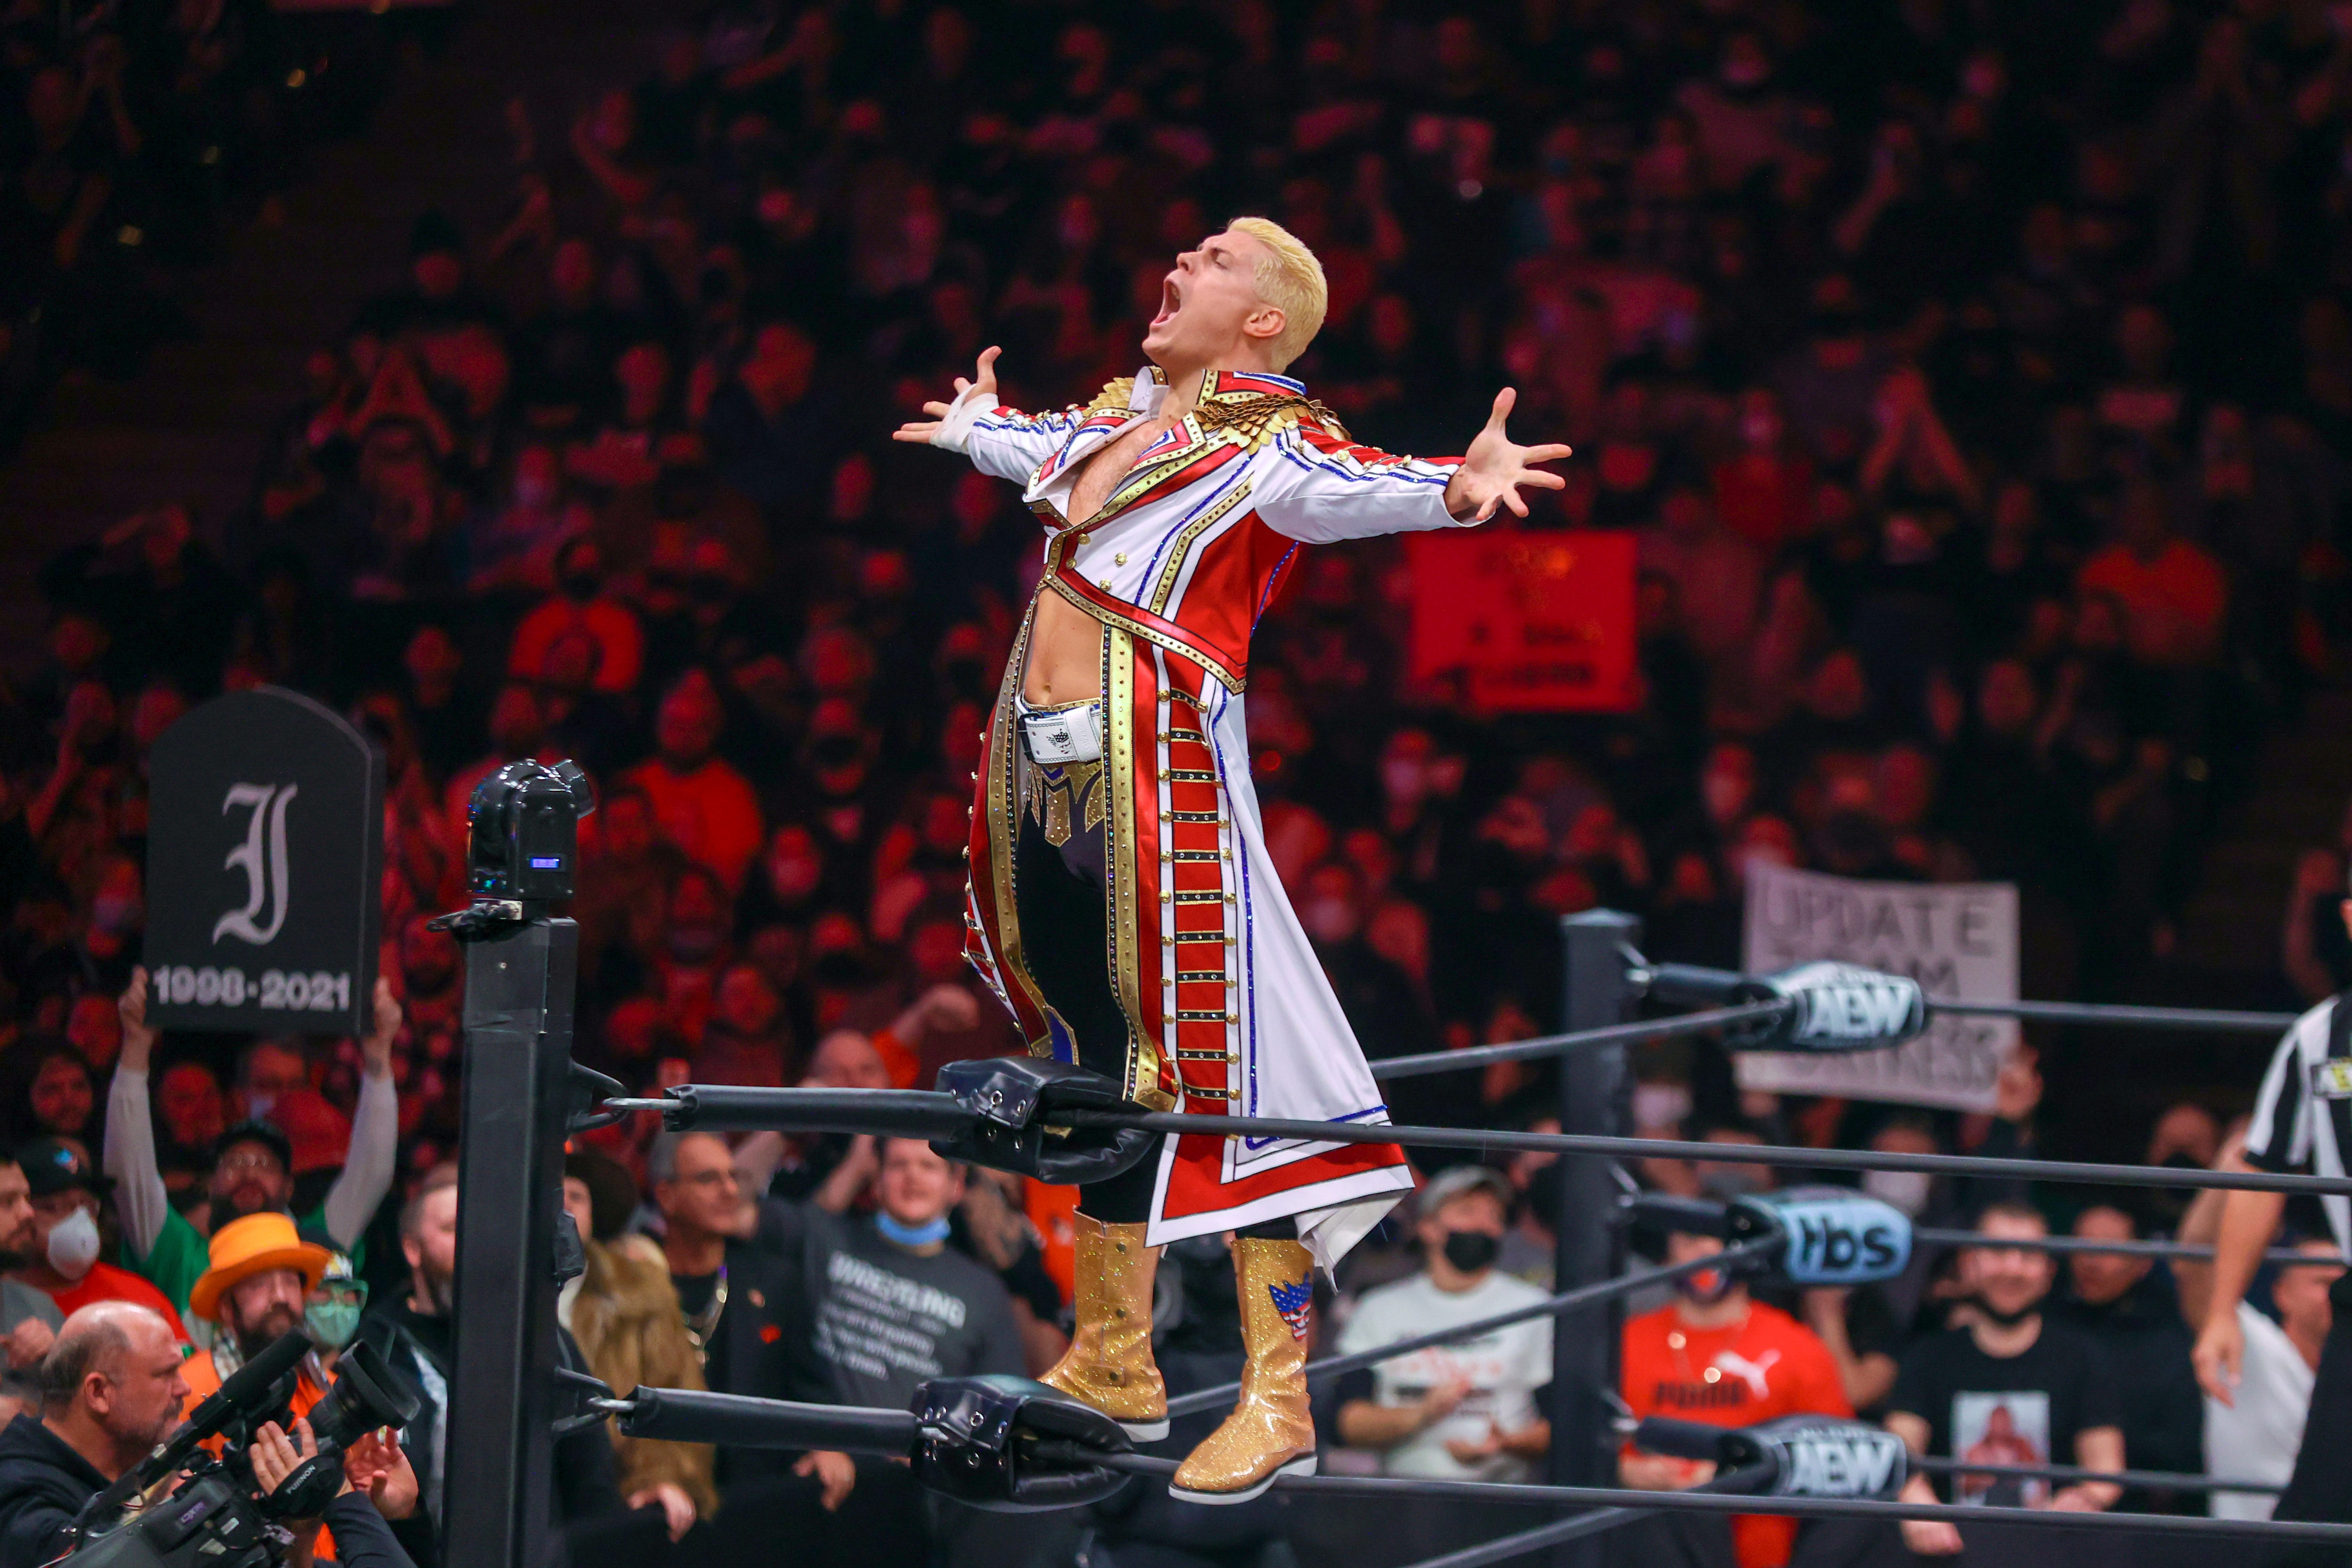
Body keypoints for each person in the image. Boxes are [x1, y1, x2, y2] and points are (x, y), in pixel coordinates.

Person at [894, 216, 1571, 1501]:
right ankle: (1113, 1358)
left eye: (1212, 259)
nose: (1178, 264)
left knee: (1235, 1071)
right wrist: (976, 424)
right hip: (1048, 779)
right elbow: (1037, 447)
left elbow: (1347, 488)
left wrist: (1453, 486)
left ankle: (1279, 1391)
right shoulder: (1117, 422)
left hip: (1163, 784)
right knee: (1101, 1064)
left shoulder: (1268, 443)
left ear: (1264, 320)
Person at [110, 968, 402, 1313]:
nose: (250, 1172)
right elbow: (129, 1176)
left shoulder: (312, 1249)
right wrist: (135, 1047)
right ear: (210, 1185)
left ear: (289, 1187)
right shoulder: (177, 1254)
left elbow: (371, 1174)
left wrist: (378, 1057)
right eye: (234, 1163)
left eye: (266, 1164)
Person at [1886, 1203, 2126, 1557]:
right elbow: (1899, 1455)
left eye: (2028, 1255)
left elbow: (2106, 1470)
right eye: (1998, 1252)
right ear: (1969, 1264)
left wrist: (2084, 1499)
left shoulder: (2083, 1358)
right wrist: (1917, 1504)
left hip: (2054, 1552)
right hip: (1949, 1554)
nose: (2013, 1269)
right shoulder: (1927, 1358)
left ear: (2048, 1271)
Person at [1619, 1221, 1851, 1568]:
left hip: (1759, 1548)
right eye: (1691, 1238)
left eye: (1723, 1241)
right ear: (1670, 1254)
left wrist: (1738, 1472)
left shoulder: (1797, 1346)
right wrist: (1624, 1470)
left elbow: (1838, 1457)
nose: (1707, 1250)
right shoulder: (1627, 1341)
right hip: (1647, 1534)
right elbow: (1587, 1441)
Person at [1333, 1165, 1553, 1482]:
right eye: (1467, 1211)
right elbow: (1346, 1422)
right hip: (1402, 1493)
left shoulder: (1535, 1306)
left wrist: (1506, 1444)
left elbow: (1564, 1425)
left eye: (1495, 1216)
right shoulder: (1379, 1308)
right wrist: (1422, 1414)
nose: (1484, 1224)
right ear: (1428, 1227)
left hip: (1505, 1491)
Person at [558, 1157, 711, 1543]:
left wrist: (660, 1478)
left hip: (613, 1496)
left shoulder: (640, 1293)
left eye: (577, 1195)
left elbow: (673, 1393)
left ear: (595, 1212)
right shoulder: (493, 1293)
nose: (565, 1205)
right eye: (555, 1193)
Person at [0, 1302, 188, 1568]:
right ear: (99, 1393)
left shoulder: (147, 1457)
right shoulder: (19, 1502)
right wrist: (171, 1512)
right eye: (166, 1374)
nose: (185, 1388)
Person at [2044, 1202, 2203, 1500]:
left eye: (2108, 1248)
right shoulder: (2043, 1323)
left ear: (2143, 1263)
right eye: (2081, 1244)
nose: (2091, 1261)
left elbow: (2180, 1452)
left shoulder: (2168, 1341)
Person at [7, 1140, 185, 1339]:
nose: (78, 1219)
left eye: (87, 1205)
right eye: (53, 1207)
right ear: (21, 1212)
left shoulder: (137, 1298)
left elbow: (186, 1359)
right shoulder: (7, 1302)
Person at [0, 1159, 61, 1371]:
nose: (29, 1213)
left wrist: (58, 1357)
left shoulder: (38, 1307)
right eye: (8, 1202)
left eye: (26, 1198)